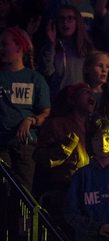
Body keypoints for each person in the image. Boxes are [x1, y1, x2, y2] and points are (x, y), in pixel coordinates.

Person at [0, 27, 51, 190]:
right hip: (1, 144)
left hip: (25, 144)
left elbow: (46, 111)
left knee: (23, 193)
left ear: (19, 47)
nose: (1, 49)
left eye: (4, 44)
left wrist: (31, 120)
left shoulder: (35, 79)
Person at [32, 83, 94, 198]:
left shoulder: (93, 128)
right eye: (86, 92)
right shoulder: (56, 124)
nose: (92, 96)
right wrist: (63, 150)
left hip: (88, 192)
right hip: (62, 191)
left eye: (92, 92)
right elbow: (40, 156)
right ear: (72, 99)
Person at [40, 5, 94, 99]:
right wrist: (50, 45)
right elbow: (47, 72)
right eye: (61, 19)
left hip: (80, 100)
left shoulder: (86, 48)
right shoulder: (50, 48)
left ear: (77, 22)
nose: (65, 22)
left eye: (70, 18)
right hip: (58, 100)